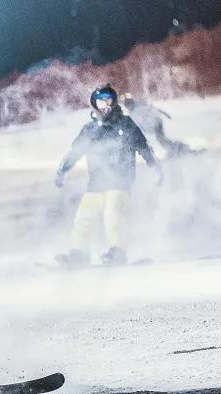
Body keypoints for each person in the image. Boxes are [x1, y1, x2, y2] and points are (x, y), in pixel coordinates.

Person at [55, 84, 162, 266]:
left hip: (121, 181)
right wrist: (62, 171)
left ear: (113, 102)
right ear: (94, 105)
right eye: (100, 101)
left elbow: (144, 148)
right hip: (96, 183)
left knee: (113, 213)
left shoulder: (126, 124)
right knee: (84, 217)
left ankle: (117, 250)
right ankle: (78, 252)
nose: (105, 105)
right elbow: (75, 152)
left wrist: (156, 169)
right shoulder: (90, 130)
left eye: (108, 100)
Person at [119, 92, 193, 158]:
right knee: (162, 140)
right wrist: (166, 115)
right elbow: (154, 110)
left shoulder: (136, 110)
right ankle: (177, 149)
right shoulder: (136, 108)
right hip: (156, 122)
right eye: (126, 105)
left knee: (161, 140)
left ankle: (180, 149)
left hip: (156, 123)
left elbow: (139, 123)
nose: (127, 107)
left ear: (130, 104)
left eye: (127, 105)